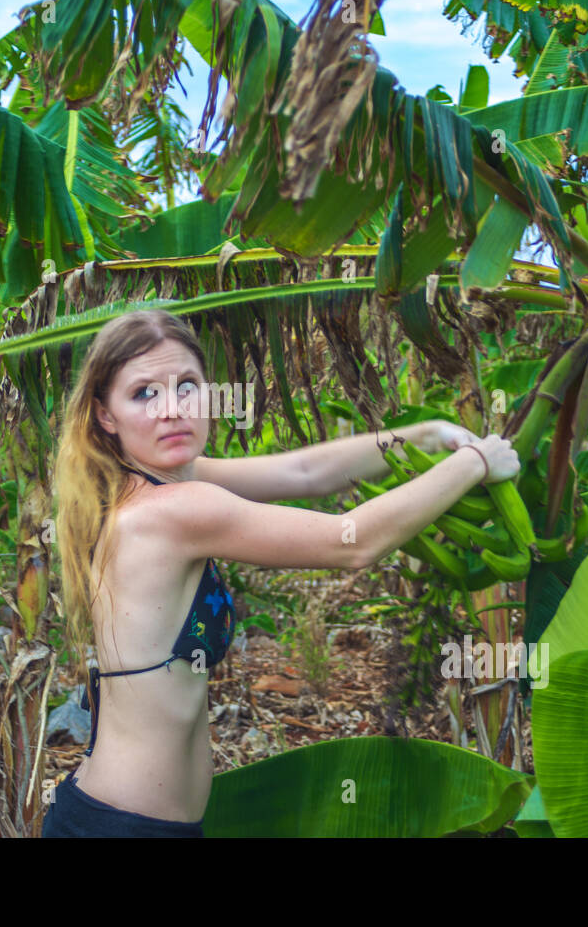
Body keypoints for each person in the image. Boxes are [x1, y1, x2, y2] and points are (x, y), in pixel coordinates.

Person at [42, 309, 519, 837]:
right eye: (143, 394)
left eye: (187, 387)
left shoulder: (148, 486)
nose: (172, 409)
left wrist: (424, 435)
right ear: (105, 415)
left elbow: (304, 471)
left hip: (118, 818)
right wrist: (475, 461)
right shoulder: (172, 511)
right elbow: (353, 542)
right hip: (122, 828)